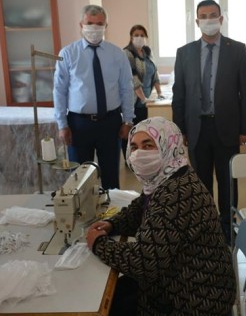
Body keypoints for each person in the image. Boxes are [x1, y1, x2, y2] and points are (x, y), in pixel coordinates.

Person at [86, 117, 236, 316]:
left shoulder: (176, 193)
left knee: (107, 303)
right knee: (114, 295)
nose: (139, 154)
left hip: (195, 300)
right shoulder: (169, 177)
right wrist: (112, 224)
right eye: (135, 147)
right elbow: (141, 209)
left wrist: (98, 244)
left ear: (169, 145)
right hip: (180, 280)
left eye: (148, 145)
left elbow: (144, 261)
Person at [172, 0, 246, 240]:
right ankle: (206, 228)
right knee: (201, 182)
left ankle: (228, 228)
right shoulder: (184, 53)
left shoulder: (237, 50)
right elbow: (180, 95)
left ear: (221, 18)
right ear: (197, 22)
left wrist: (245, 128)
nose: (209, 20)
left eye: (213, 15)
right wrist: (180, 130)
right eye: (204, 16)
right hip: (197, 128)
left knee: (228, 181)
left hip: (227, 128)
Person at [53, 4, 134, 190]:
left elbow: (126, 88)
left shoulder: (117, 55)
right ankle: (85, 217)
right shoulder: (68, 54)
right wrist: (62, 125)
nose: (94, 28)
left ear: (106, 25)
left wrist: (128, 121)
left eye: (99, 24)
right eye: (90, 23)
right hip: (79, 124)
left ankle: (112, 216)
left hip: (110, 122)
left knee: (111, 176)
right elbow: (59, 90)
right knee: (80, 179)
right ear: (81, 24)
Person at [121, 25, 163, 159]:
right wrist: (143, 98)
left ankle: (144, 156)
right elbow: (132, 78)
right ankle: (131, 159)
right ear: (131, 37)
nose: (139, 37)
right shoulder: (127, 53)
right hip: (134, 100)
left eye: (142, 35)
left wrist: (159, 92)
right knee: (132, 131)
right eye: (136, 35)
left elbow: (154, 73)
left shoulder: (147, 52)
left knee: (144, 131)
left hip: (146, 101)